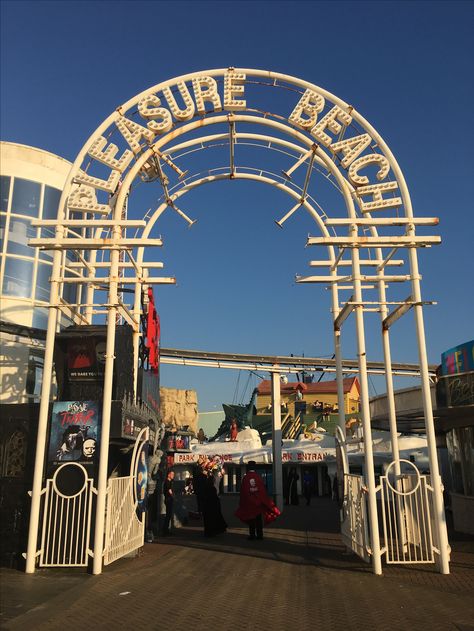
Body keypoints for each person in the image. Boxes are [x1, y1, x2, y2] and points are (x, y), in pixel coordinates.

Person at [235, 461, 280, 540]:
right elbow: (262, 490)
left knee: (251, 519)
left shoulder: (246, 478)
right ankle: (260, 535)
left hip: (249, 503)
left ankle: (252, 535)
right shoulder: (258, 477)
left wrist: (242, 502)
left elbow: (243, 491)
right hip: (258, 503)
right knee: (258, 520)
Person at [201, 469, 227, 537]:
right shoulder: (213, 488)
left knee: (207, 520)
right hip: (212, 506)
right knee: (212, 519)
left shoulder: (205, 487)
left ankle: (207, 532)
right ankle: (212, 532)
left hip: (206, 506)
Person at [162, 469, 175, 536]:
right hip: (168, 499)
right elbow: (169, 491)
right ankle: (165, 530)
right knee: (168, 515)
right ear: (168, 474)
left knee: (169, 515)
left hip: (169, 499)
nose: (173, 475)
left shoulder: (170, 481)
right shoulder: (167, 482)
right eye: (172, 474)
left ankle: (166, 530)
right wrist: (173, 497)